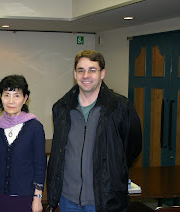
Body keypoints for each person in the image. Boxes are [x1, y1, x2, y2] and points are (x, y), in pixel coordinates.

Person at [47, 50, 142, 212]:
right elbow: (60, 150)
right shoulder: (61, 108)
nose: (86, 75)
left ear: (102, 73)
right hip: (67, 199)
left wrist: (114, 166)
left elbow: (132, 148)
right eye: (81, 70)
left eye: (92, 70)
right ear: (74, 74)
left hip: (104, 200)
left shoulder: (120, 107)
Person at [0, 75, 46, 212]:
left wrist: (38, 198)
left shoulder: (34, 127)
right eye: (7, 95)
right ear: (1, 97)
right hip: (0, 196)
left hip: (25, 197)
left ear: (25, 98)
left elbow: (40, 166)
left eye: (16, 96)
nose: (11, 101)